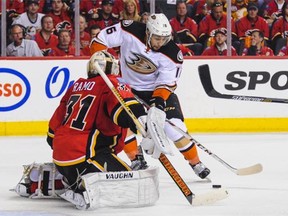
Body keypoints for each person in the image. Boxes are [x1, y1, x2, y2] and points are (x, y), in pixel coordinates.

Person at [90, 13, 210, 179]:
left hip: (155, 91)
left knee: (174, 128)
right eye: (157, 38)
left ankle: (195, 162)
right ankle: (135, 158)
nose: (160, 43)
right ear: (148, 33)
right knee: (122, 125)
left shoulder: (173, 54)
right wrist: (100, 59)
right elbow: (99, 40)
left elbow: (166, 83)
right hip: (126, 88)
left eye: (164, 39)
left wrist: (158, 103)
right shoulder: (129, 29)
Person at [46, 50, 167, 208]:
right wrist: (143, 123)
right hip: (87, 155)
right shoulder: (110, 84)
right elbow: (123, 112)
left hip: (60, 156)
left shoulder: (75, 87)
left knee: (116, 171)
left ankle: (68, 179)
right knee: (131, 184)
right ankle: (81, 188)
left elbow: (52, 133)